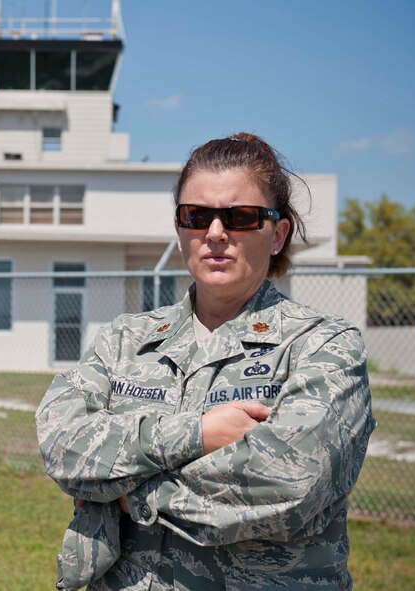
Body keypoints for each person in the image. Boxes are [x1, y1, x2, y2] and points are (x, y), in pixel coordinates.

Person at [36, 132, 375, 590]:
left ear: (277, 235)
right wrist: (199, 433)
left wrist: (124, 496)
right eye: (196, 216)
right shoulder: (125, 340)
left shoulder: (322, 346)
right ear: (180, 232)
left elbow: (291, 483)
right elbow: (62, 445)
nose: (216, 232)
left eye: (240, 217)